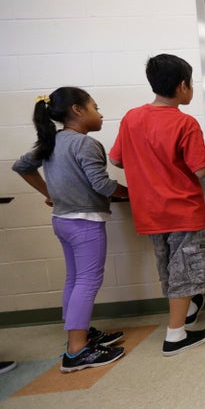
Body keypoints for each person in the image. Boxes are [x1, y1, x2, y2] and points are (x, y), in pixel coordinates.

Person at [109, 54, 205, 355]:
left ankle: (186, 314)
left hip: (148, 211)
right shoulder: (184, 123)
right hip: (181, 210)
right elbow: (201, 170)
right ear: (183, 85)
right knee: (186, 272)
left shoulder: (131, 118)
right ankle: (175, 336)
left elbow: (116, 159)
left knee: (169, 269)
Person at [13, 88, 128, 372]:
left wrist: (49, 192)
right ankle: (77, 351)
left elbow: (21, 166)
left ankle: (80, 333)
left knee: (75, 279)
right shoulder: (85, 144)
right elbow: (101, 185)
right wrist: (132, 193)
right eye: (95, 107)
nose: (100, 114)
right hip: (85, 222)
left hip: (62, 220)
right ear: (77, 110)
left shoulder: (51, 142)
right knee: (88, 281)